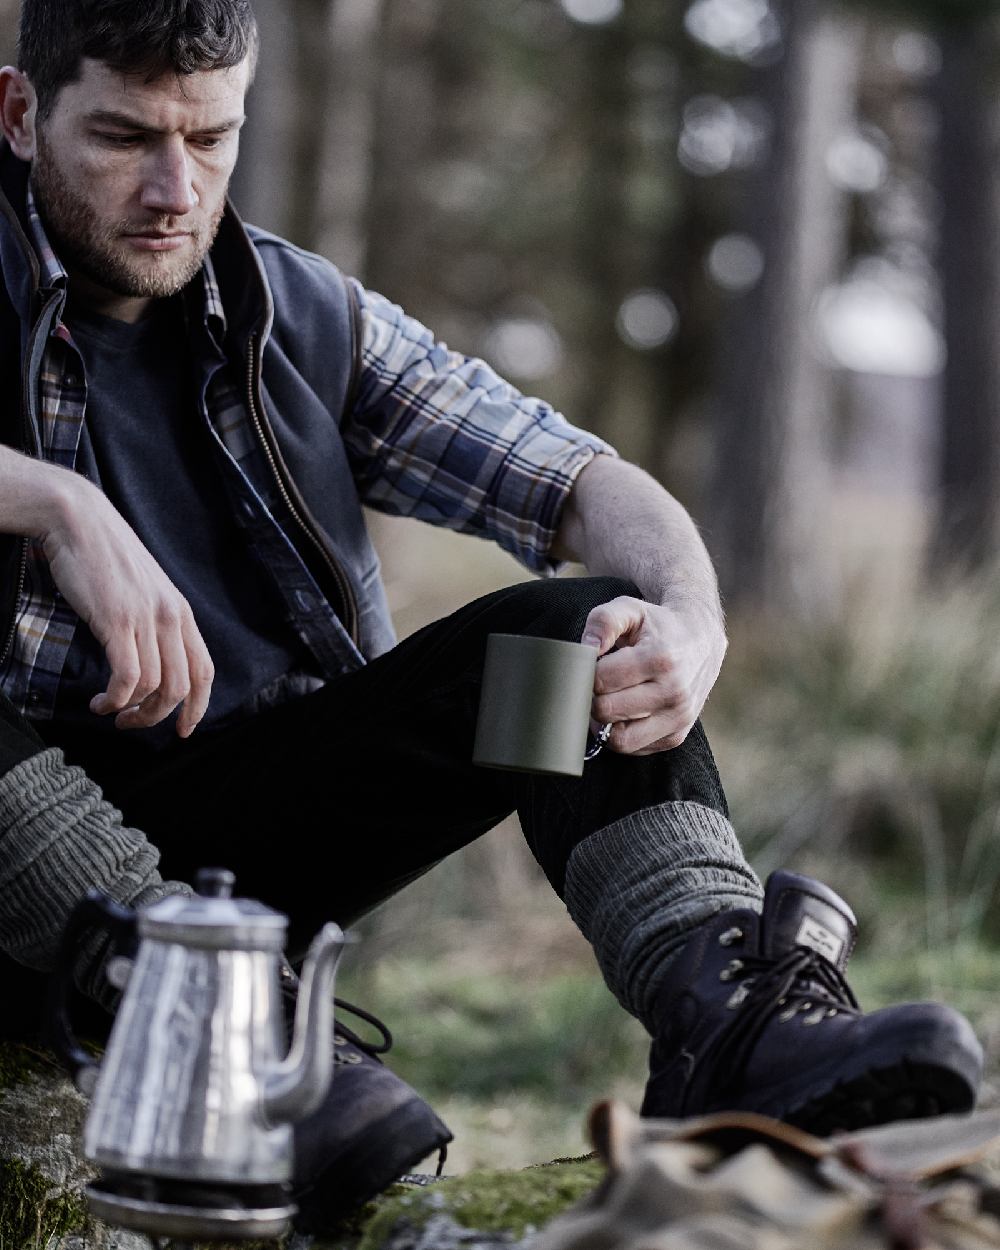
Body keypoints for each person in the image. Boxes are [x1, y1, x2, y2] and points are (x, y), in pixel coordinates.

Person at [0, 0, 983, 1233]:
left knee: (577, 629)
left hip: (233, 852)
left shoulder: (296, 317)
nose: (173, 187)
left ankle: (728, 1027)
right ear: (20, 113)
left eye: (211, 139)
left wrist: (689, 613)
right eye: (125, 136)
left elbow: (575, 479)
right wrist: (47, 498)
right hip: (20, 892)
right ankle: (206, 1023)